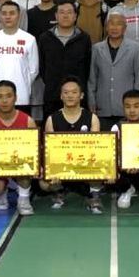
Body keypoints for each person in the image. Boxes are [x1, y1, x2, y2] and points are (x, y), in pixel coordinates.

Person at [41, 77, 102, 213]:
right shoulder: (52, 119)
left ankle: (94, 196)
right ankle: (58, 193)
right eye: (66, 92)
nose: (70, 96)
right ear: (61, 96)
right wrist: (53, 169)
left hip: (84, 163)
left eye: (74, 92)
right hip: (62, 164)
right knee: (44, 182)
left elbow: (96, 147)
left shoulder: (92, 118)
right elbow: (50, 150)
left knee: (101, 166)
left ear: (81, 95)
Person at [0, 80, 36, 216]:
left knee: (27, 164)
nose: (4, 101)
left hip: (20, 166)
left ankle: (23, 198)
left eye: (8, 96)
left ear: (15, 97)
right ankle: (2, 191)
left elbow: (34, 151)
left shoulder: (28, 121)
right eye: (0, 97)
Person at [38, 0, 92, 119]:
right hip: (52, 95)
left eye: (69, 12)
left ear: (75, 16)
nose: (65, 15)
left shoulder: (84, 38)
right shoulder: (45, 38)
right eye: (62, 12)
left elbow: (88, 67)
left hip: (77, 97)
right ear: (56, 16)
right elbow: (42, 67)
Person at [89, 13, 139, 129]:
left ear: (125, 28)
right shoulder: (97, 49)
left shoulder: (135, 48)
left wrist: (138, 104)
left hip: (127, 109)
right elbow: (92, 78)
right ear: (106, 27)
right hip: (102, 107)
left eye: (119, 24)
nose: (114, 27)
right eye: (111, 24)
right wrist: (92, 102)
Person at [0, 1, 39, 114]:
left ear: (18, 15)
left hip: (21, 96)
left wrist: (23, 83)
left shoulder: (29, 39)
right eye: (4, 13)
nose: (8, 17)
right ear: (0, 16)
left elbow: (33, 70)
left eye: (12, 13)